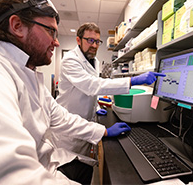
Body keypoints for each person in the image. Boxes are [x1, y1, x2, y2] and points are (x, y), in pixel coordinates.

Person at [0, 0, 131, 185]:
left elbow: (58, 115)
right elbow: (7, 176)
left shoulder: (25, 69)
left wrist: (101, 131)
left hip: (46, 164)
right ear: (17, 26)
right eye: (50, 30)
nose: (57, 41)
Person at [55, 23, 165, 158]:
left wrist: (95, 108)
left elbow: (89, 91)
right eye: (90, 40)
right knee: (69, 168)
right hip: (69, 130)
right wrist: (132, 81)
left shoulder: (94, 60)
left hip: (86, 125)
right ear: (78, 40)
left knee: (84, 166)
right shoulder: (70, 60)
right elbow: (91, 85)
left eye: (97, 41)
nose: (94, 45)